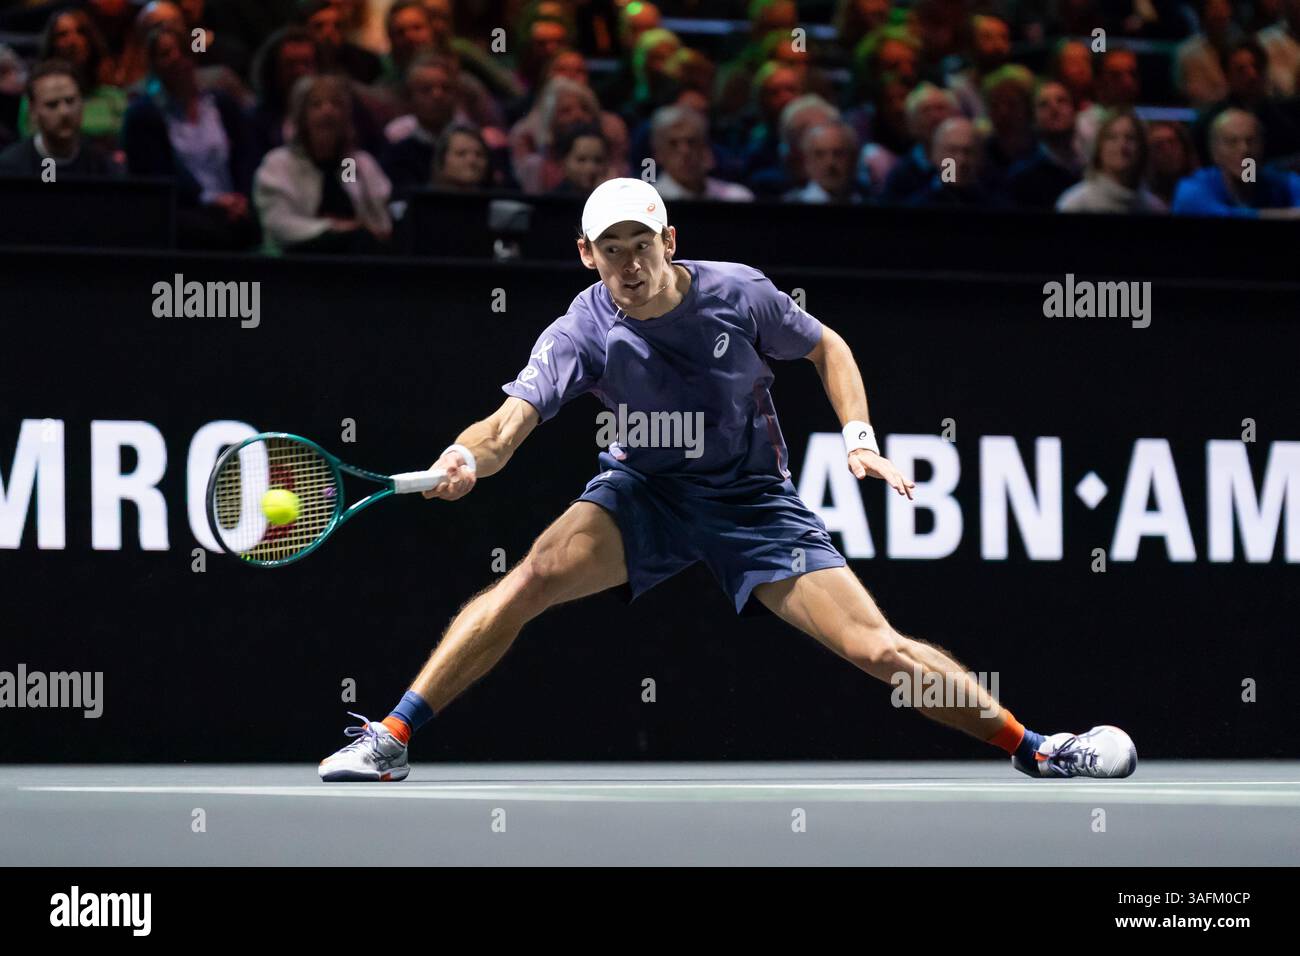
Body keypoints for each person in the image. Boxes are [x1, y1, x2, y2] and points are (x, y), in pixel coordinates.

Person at [317, 176, 1139, 783]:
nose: (629, 263)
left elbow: (828, 346)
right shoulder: (582, 328)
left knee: (876, 648)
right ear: (587, 255)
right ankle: (392, 736)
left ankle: (1040, 749)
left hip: (751, 505)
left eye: (642, 243)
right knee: (529, 577)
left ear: (668, 241)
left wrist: (858, 437)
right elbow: (508, 425)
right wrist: (467, 458)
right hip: (644, 495)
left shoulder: (737, 294)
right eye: (612, 249)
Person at [253, 73, 392, 254]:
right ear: (301, 116)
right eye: (316, 105)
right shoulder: (280, 163)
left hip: (354, 259)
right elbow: (278, 223)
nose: (328, 111)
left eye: (336, 104)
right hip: (296, 259)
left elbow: (380, 221)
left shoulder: (352, 163)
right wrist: (332, 227)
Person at [1172, 107, 1300, 216]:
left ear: (1262, 146)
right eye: (1231, 142)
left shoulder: (1285, 183)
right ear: (1214, 151)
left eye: (1251, 141)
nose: (1244, 150)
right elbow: (1225, 217)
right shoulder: (1192, 189)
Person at [0, 59, 118, 177]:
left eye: (70, 101)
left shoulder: (104, 167)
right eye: (52, 104)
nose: (64, 112)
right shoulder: (10, 169)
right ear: (33, 111)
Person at [1056, 109, 1166, 213]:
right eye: (1112, 137)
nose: (1122, 146)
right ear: (1099, 147)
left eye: (1130, 138)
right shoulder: (1074, 204)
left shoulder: (1155, 208)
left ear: (1142, 148)